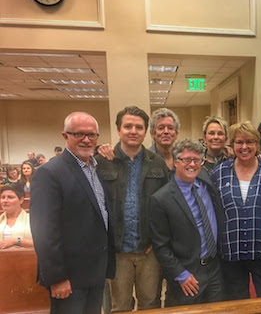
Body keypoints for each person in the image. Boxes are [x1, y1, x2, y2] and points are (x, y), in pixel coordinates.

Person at [30, 111, 115, 314]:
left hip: (94, 273)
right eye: (79, 134)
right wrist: (57, 278)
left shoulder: (95, 169)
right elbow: (44, 233)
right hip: (69, 278)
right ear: (65, 136)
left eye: (92, 135)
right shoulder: (50, 173)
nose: (86, 140)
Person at [95, 106, 169, 312]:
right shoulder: (103, 161)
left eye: (139, 127)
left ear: (146, 131)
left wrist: (158, 240)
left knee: (151, 304)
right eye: (128, 126)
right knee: (120, 306)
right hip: (118, 251)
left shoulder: (157, 162)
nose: (133, 131)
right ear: (118, 130)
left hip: (149, 250)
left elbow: (167, 204)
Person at [211, 121, 261, 299]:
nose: (244, 147)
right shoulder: (219, 173)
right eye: (239, 142)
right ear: (232, 145)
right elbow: (212, 211)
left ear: (257, 144)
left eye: (250, 142)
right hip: (231, 250)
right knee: (237, 303)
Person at [150, 139, 225, 306]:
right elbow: (160, 245)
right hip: (187, 273)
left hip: (214, 268)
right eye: (186, 160)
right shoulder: (161, 199)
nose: (192, 164)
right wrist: (180, 274)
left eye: (196, 160)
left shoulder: (205, 182)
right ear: (176, 162)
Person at [0, 184, 33, 249]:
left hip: (26, 257)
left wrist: (16, 241)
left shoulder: (33, 220)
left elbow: (42, 243)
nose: (5, 201)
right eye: (3, 197)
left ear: (21, 200)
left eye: (10, 197)